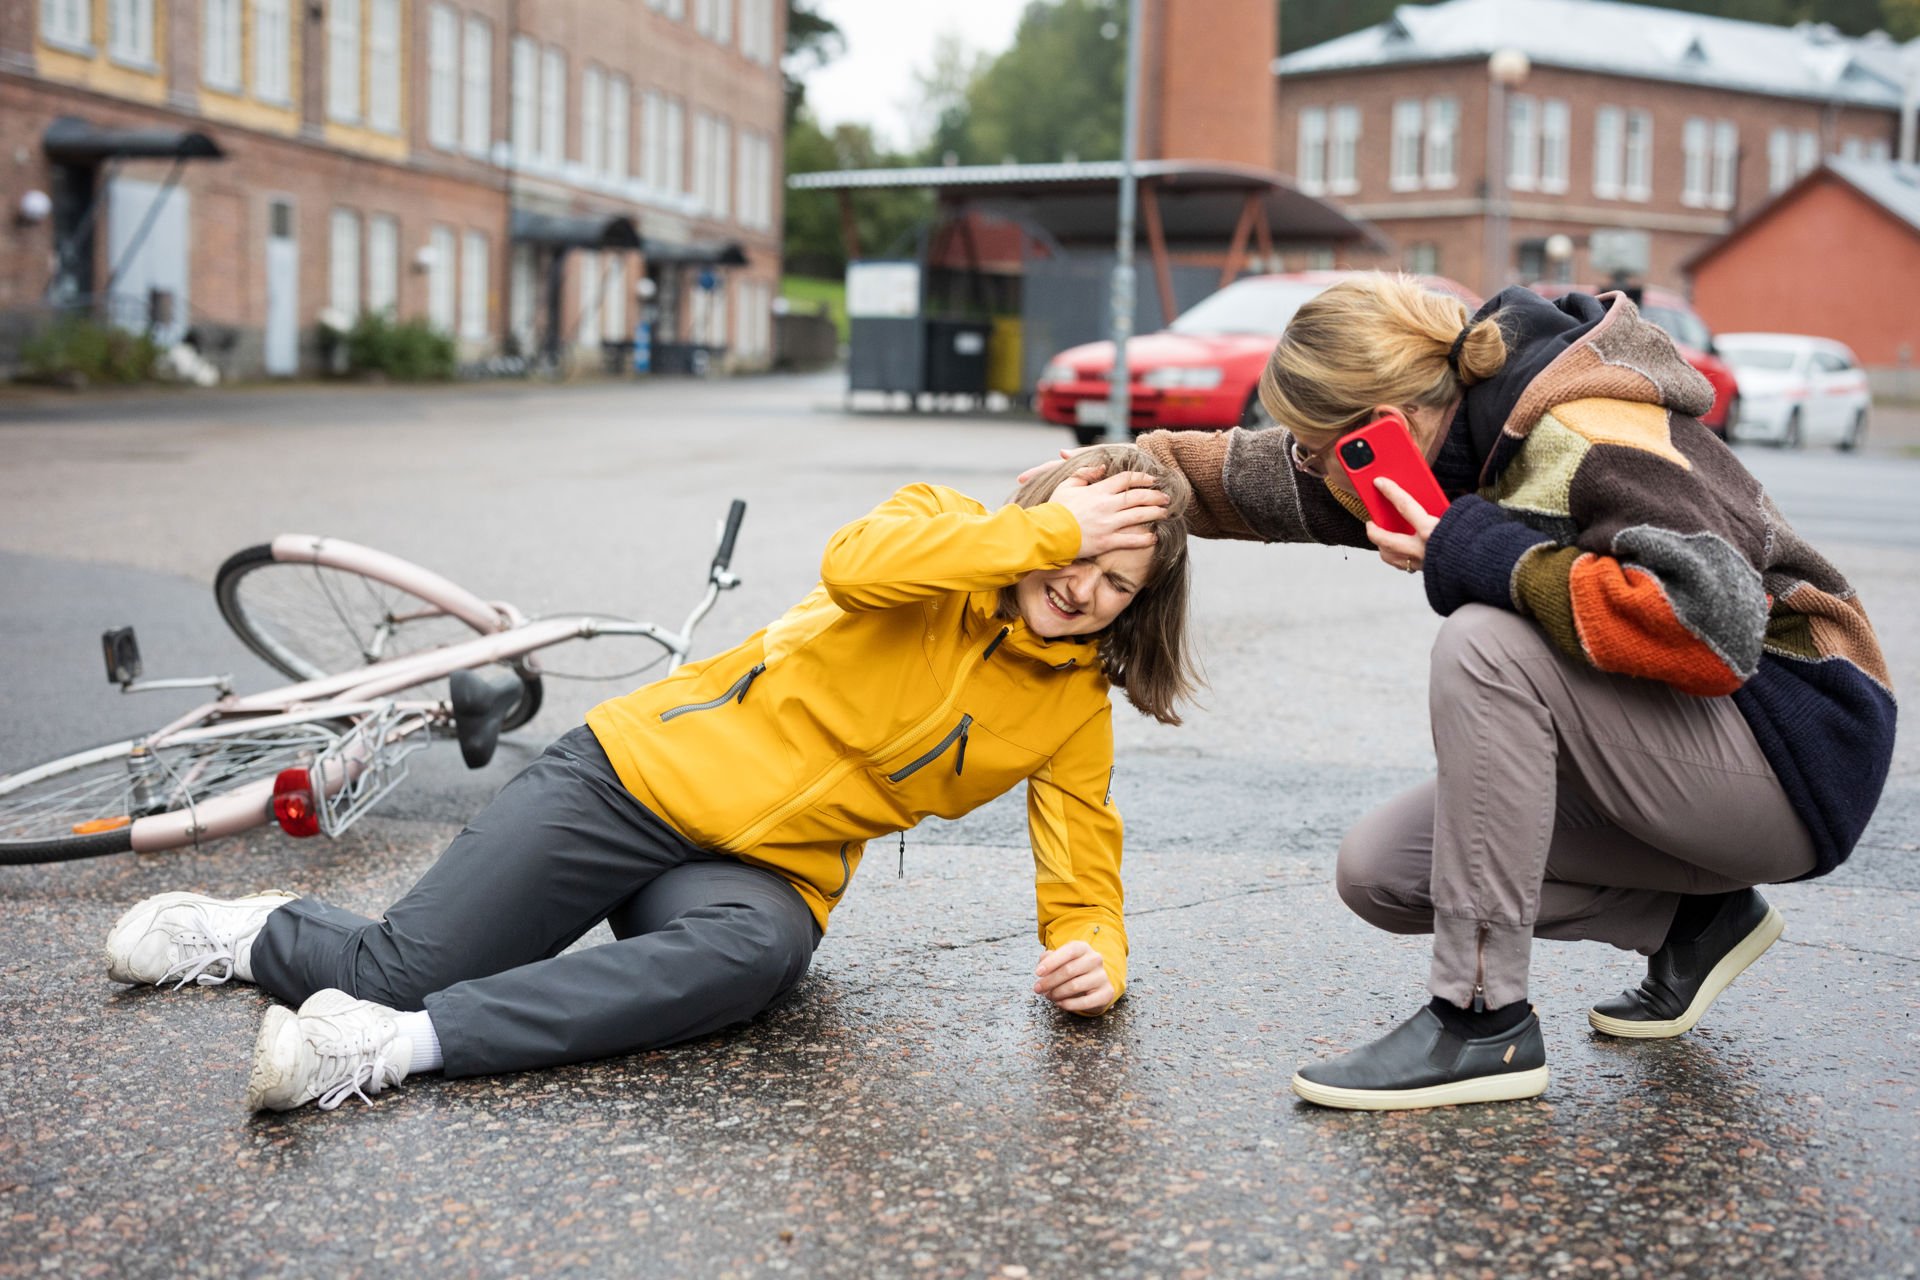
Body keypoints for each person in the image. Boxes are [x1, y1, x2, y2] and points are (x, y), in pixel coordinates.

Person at [104, 447, 1199, 1113]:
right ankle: (251, 934)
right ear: (1047, 510)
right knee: (398, 961)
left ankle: (394, 1046)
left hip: (761, 869)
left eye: (1115, 579)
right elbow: (852, 568)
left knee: (755, 958)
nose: (1082, 583)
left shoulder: (1069, 710)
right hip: (632, 778)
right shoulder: (940, 532)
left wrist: (1096, 951)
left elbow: (1082, 856)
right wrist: (1049, 525)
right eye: (1079, 549)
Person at [1064, 274, 1895, 1111]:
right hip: (1698, 752)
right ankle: (1695, 924)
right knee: (1385, 871)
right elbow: (1260, 483)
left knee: (1485, 645)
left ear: (1383, 431)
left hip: (1797, 751)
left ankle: (1481, 1023)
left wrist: (1470, 550)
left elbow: (1710, 623)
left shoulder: (1586, 427)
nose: (1312, 466)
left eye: (1318, 447)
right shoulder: (1462, 440)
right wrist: (1126, 472)